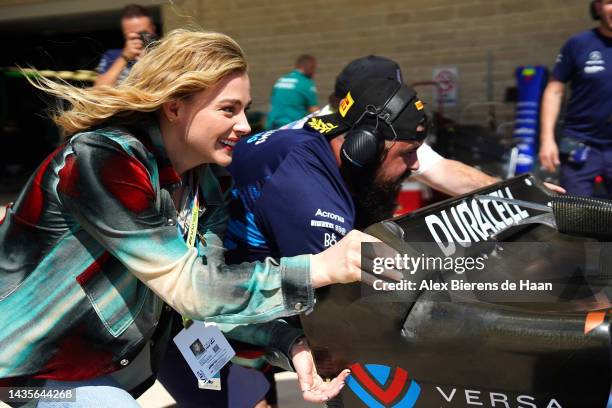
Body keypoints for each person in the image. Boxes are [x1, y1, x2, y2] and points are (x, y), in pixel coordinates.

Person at [0, 29, 390, 406]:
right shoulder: (103, 160)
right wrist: (320, 266)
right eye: (228, 109)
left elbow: (209, 300)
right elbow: (191, 287)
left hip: (103, 369)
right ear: (174, 106)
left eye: (244, 108)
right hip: (28, 371)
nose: (245, 126)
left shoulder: (205, 186)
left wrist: (289, 343)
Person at [539, 0, 612, 197]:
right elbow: (554, 91)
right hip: (580, 144)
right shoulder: (579, 44)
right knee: (577, 214)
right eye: (609, 2)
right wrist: (547, 139)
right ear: (597, 7)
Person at [94, 4, 157, 87]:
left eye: (143, 32)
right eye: (132, 34)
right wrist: (124, 57)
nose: (139, 37)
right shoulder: (112, 56)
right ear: (124, 34)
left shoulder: (167, 52)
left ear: (153, 29)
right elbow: (98, 90)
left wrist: (149, 58)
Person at [264, 54, 319, 130]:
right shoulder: (306, 83)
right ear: (311, 67)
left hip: (271, 126)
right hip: (290, 127)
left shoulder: (281, 80)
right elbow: (314, 112)